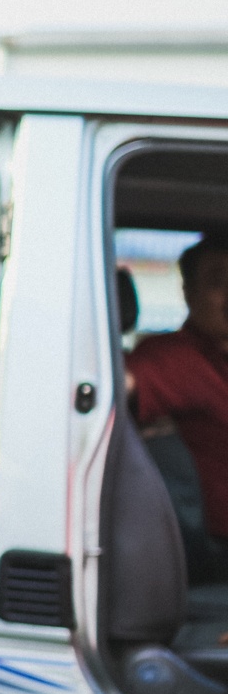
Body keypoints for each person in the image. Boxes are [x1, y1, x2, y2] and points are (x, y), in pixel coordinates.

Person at [127, 232, 228, 580]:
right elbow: (116, 388)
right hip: (211, 554)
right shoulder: (171, 358)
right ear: (188, 293)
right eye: (218, 282)